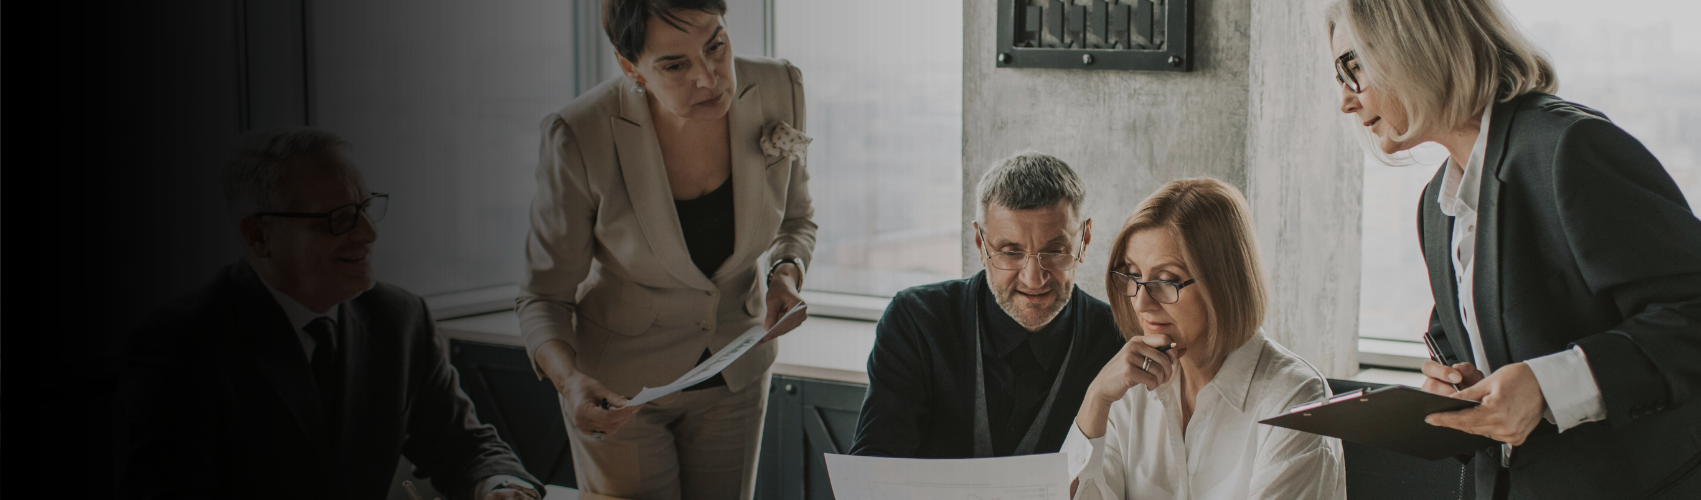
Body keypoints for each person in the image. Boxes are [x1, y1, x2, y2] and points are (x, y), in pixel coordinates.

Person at [1325, 1, 1701, 498]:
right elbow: (1465, 342)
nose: (1346, 100)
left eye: (1352, 67)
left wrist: (1545, 387)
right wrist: (1456, 390)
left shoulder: (1569, 147)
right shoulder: (1437, 205)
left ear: (1415, 47)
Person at [115, 127, 542, 500]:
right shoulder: (179, 344)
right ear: (259, 235)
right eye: (338, 219)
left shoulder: (399, 318)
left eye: (365, 208)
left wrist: (501, 486)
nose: (368, 234)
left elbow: (460, 445)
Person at [516, 0, 817, 497]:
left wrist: (784, 272)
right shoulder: (580, 134)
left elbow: (797, 219)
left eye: (716, 46)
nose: (709, 78)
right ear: (630, 66)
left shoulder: (779, 87)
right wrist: (569, 382)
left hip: (736, 376)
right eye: (675, 65)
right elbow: (543, 296)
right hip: (619, 392)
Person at [1065, 178, 1346, 500]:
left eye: (1166, 280)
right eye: (1134, 275)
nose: (1141, 303)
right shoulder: (1130, 388)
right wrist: (1095, 400)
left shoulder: (1297, 401)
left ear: (1224, 282)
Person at [851, 152, 1127, 458]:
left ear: (1084, 241)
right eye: (1011, 252)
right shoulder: (915, 323)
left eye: (1055, 251)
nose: (1034, 279)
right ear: (981, 245)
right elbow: (873, 466)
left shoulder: (1117, 340)